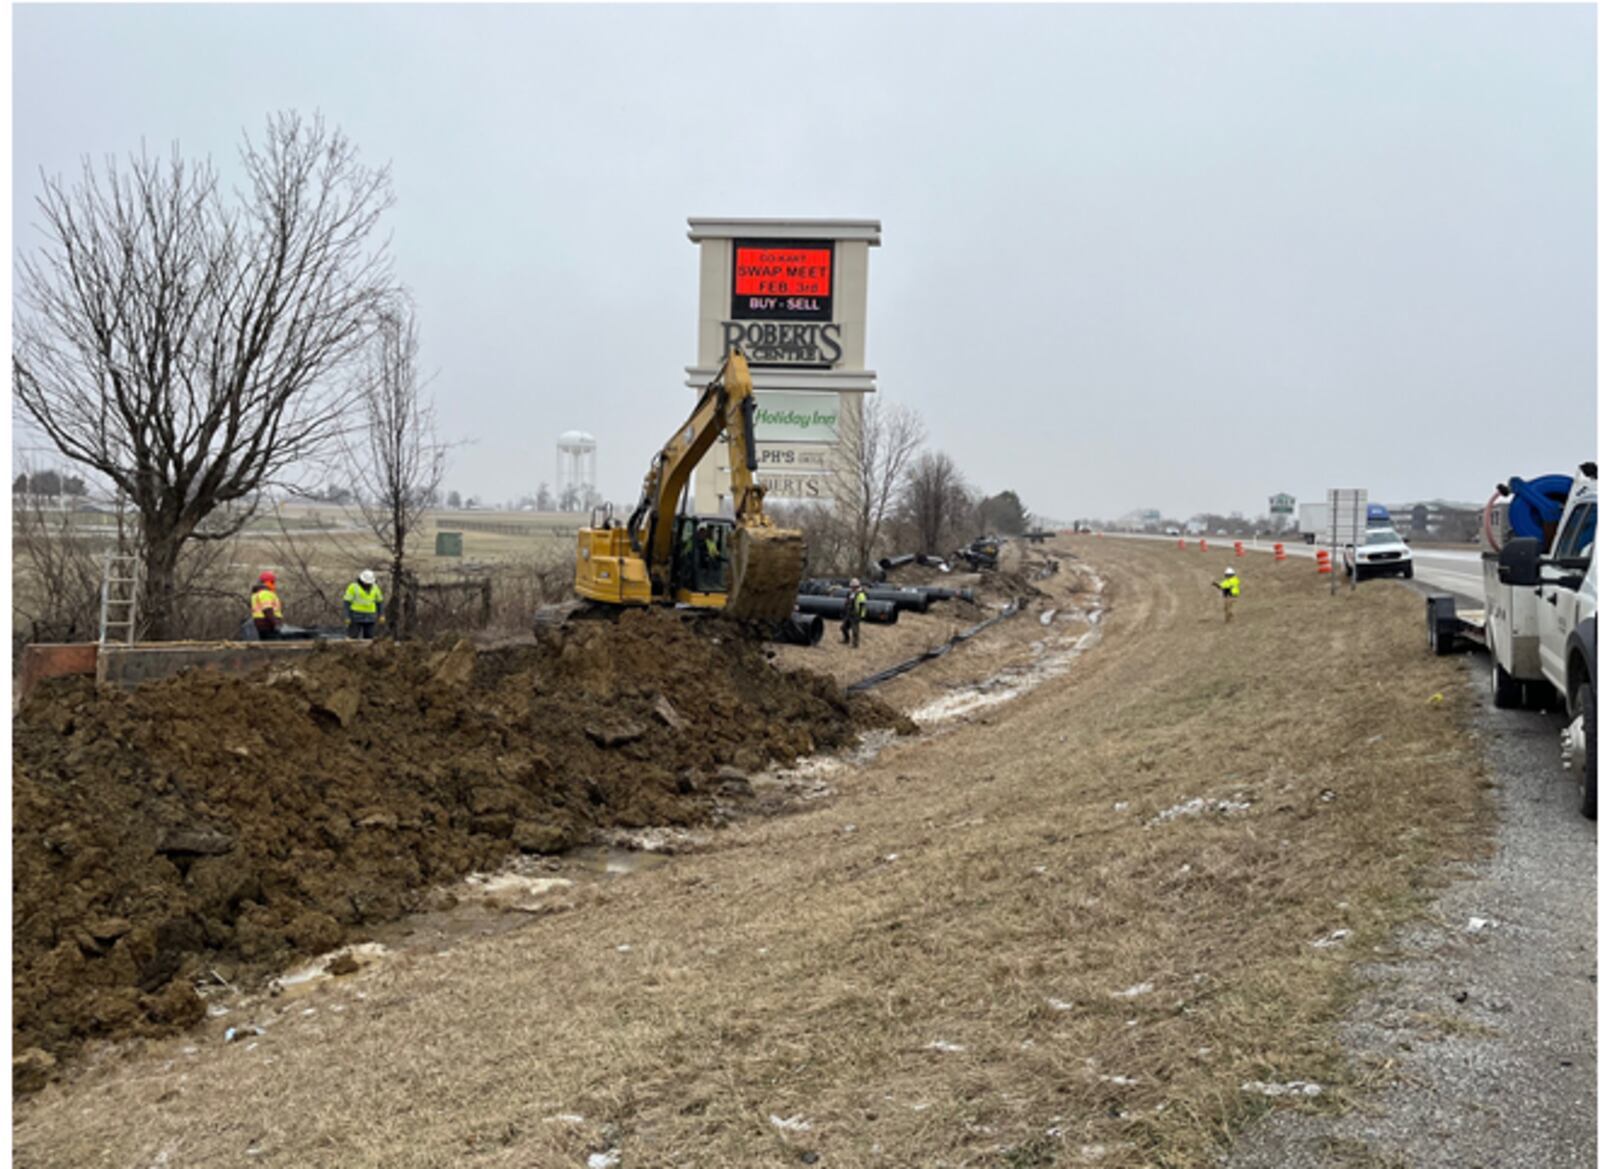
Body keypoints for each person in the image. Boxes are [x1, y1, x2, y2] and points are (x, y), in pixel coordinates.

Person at [343, 570, 385, 639]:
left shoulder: (375, 588)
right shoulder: (353, 587)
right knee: (352, 637)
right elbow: (347, 602)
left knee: (370, 638)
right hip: (356, 616)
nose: (367, 584)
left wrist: (381, 614)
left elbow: (379, 602)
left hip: (370, 616)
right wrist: (347, 616)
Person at [250, 571, 283, 640]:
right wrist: (276, 624)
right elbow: (268, 610)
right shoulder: (265, 593)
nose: (274, 584)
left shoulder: (256, 594)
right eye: (272, 582)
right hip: (269, 626)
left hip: (262, 626)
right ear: (266, 582)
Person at [841, 578, 869, 648]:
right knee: (843, 627)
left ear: (856, 586)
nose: (851, 588)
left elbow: (862, 605)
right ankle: (846, 639)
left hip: (856, 614)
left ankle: (855, 644)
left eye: (853, 586)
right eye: (851, 586)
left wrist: (861, 615)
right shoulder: (850, 593)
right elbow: (847, 601)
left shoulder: (861, 594)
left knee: (855, 630)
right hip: (849, 612)